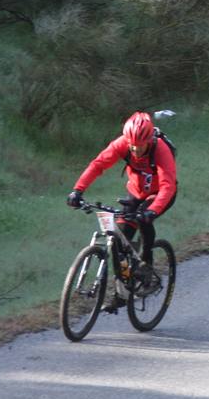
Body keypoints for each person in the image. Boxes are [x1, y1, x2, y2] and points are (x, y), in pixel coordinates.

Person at [69, 112, 177, 307]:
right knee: (119, 239)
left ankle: (147, 270)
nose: (135, 149)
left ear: (149, 140)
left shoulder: (160, 150)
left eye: (140, 145)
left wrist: (152, 211)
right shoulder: (123, 143)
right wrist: (78, 190)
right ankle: (122, 294)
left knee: (144, 221)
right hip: (135, 193)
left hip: (159, 194)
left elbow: (168, 185)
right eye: (132, 145)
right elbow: (98, 164)